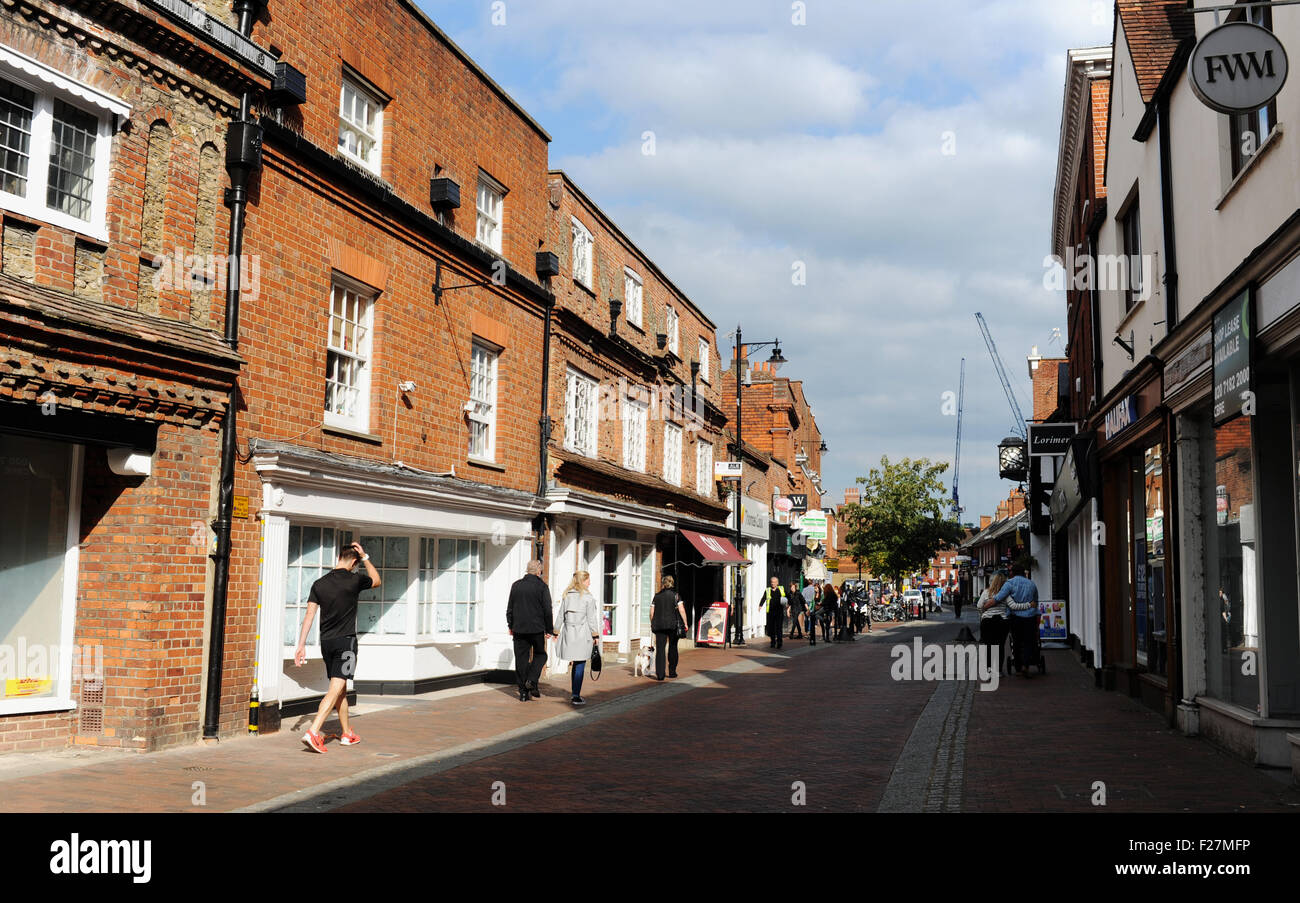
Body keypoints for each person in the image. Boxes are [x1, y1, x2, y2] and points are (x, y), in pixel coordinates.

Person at [295, 541, 380, 753]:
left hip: (327, 643)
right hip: (346, 642)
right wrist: (366, 557)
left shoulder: (319, 583)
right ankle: (314, 732)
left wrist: (301, 644)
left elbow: (309, 615)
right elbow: (377, 581)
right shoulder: (354, 580)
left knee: (340, 689)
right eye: (356, 563)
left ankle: (347, 733)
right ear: (353, 561)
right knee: (335, 689)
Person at [507, 559, 556, 701]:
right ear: (538, 571)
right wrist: (549, 629)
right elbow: (548, 610)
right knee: (541, 655)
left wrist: (510, 625)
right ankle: (532, 680)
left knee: (521, 660)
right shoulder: (542, 587)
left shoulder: (516, 586)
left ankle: (523, 692)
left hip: (519, 629)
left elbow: (510, 608)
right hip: (536, 629)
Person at [555, 570, 600, 705]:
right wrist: (595, 634)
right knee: (580, 663)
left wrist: (556, 631)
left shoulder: (566, 596)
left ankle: (575, 693)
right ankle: (575, 695)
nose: (590, 583)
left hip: (569, 633)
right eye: (588, 580)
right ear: (583, 581)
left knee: (575, 663)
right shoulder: (588, 598)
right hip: (582, 634)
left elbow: (560, 616)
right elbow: (591, 619)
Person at [994, 564, 1040, 678]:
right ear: (1024, 572)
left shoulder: (1009, 584)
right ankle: (1026, 665)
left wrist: (986, 604)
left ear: (1012, 573)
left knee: (1017, 641)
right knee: (1029, 641)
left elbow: (998, 597)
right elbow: (1035, 602)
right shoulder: (1032, 584)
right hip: (1030, 618)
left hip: (1015, 618)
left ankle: (1018, 668)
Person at [650, 576, 689, 679]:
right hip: (673, 625)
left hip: (659, 625)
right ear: (672, 583)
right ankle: (672, 672)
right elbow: (681, 610)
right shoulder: (676, 596)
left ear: (663, 583)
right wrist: (685, 623)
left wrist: (652, 622)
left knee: (660, 649)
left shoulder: (656, 596)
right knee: (673, 647)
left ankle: (660, 674)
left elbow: (652, 612)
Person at [977, 573, 1009, 674]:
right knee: (1000, 646)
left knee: (988, 646)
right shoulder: (1006, 593)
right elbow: (1011, 606)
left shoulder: (986, 592)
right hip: (1002, 621)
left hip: (988, 621)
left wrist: (984, 612)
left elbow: (979, 605)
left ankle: (989, 669)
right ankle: (998, 670)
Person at [760, 576, 788, 649]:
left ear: (777, 583)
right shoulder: (768, 590)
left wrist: (788, 604)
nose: (773, 583)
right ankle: (772, 642)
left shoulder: (781, 589)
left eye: (774, 582)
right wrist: (760, 605)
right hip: (771, 612)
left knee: (779, 628)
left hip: (779, 612)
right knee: (771, 628)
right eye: (772, 582)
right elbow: (764, 598)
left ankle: (779, 643)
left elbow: (788, 596)